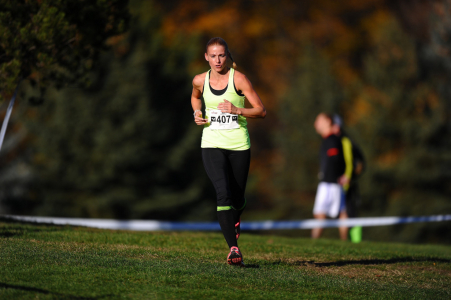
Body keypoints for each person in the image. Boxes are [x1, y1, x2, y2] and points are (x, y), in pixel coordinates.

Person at [191, 37, 266, 266]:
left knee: (237, 197)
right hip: (211, 143)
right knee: (222, 193)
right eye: (212, 56)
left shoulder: (239, 79)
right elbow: (195, 98)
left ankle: (235, 217)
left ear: (227, 55)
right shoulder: (199, 80)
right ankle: (233, 248)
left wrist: (237, 110)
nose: (217, 60)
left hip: (238, 145)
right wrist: (196, 113)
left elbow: (261, 111)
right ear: (206, 57)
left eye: (221, 55)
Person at [312, 113, 348, 240]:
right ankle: (345, 243)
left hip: (330, 183)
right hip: (330, 182)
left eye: (318, 120)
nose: (315, 124)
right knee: (341, 213)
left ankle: (313, 243)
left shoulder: (331, 140)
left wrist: (334, 176)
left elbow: (336, 159)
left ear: (328, 122)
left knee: (321, 215)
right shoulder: (328, 139)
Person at [332, 114, 365, 242]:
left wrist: (349, 177)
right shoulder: (333, 141)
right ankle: (346, 241)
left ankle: (356, 242)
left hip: (347, 185)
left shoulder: (345, 141)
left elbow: (356, 163)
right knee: (341, 214)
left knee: (351, 213)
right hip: (336, 184)